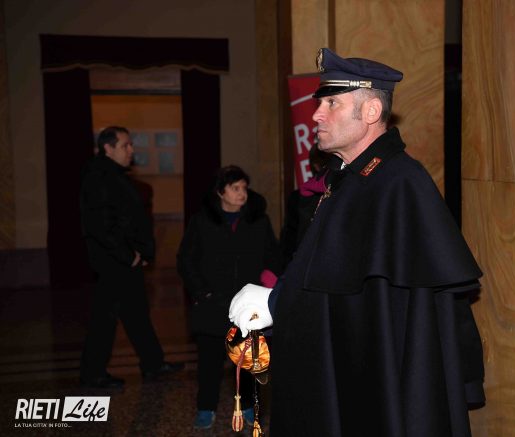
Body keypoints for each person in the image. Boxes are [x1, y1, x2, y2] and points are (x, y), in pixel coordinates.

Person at [229, 48, 485, 436]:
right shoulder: (352, 178)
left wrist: (276, 302)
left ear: (370, 112)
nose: (316, 115)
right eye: (320, 103)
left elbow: (369, 304)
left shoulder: (398, 183)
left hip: (378, 384)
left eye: (332, 103)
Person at [177, 165, 283, 430]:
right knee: (209, 363)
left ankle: (247, 405)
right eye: (235, 188)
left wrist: (268, 284)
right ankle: (206, 407)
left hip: (246, 307)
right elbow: (186, 260)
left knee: (247, 360)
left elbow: (273, 256)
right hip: (212, 304)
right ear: (220, 192)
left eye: (244, 188)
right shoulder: (202, 221)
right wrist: (201, 292)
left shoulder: (258, 221)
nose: (242, 193)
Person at [79, 126, 184, 389]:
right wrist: (128, 256)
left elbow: (130, 219)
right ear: (108, 148)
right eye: (125, 145)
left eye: (130, 145)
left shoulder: (114, 175)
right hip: (114, 261)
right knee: (105, 317)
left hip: (125, 259)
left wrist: (142, 252)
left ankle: (153, 363)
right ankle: (94, 373)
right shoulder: (99, 177)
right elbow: (101, 225)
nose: (131, 150)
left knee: (136, 312)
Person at [279, 144, 330, 267]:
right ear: (316, 166)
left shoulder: (345, 188)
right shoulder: (301, 195)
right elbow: (291, 236)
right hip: (306, 261)